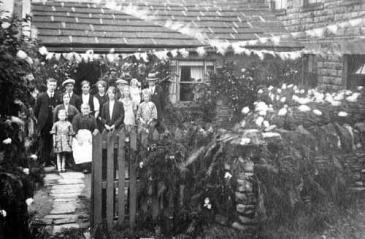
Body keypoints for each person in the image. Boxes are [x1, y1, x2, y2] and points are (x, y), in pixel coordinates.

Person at [34, 78, 61, 166]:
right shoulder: (41, 96)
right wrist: (40, 119)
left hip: (54, 122)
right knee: (43, 141)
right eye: (51, 85)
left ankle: (50, 160)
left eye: (54, 85)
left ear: (56, 86)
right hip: (44, 123)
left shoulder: (57, 96)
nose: (52, 87)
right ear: (47, 85)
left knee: (51, 141)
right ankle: (43, 160)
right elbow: (36, 110)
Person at [72, 103, 99, 173]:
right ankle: (81, 166)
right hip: (79, 137)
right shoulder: (76, 117)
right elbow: (74, 130)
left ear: (89, 109)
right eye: (84, 108)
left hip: (89, 137)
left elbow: (96, 129)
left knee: (89, 148)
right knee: (80, 148)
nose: (86, 110)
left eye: (87, 108)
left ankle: (88, 167)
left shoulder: (92, 118)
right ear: (81, 109)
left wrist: (92, 137)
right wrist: (78, 138)